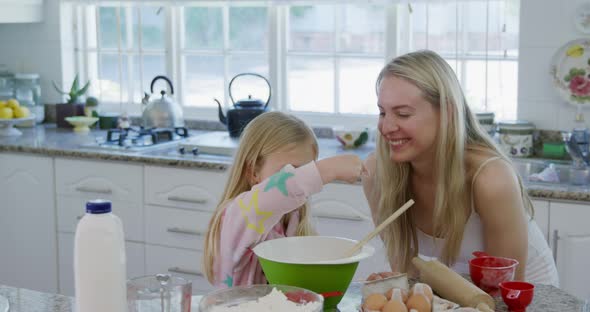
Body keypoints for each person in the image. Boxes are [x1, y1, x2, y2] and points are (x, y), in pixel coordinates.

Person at [362, 50, 558, 286]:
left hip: (525, 298)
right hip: (456, 294)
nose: (387, 126)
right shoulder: (378, 173)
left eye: (403, 114)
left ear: (447, 112)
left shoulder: (490, 178)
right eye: (382, 112)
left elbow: (506, 293)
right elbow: (407, 276)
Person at [203, 111, 365, 288]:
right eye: (289, 172)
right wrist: (328, 169)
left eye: (304, 169)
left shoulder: (292, 220)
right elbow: (270, 197)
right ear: (253, 172)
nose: (298, 180)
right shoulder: (238, 214)